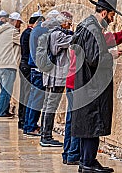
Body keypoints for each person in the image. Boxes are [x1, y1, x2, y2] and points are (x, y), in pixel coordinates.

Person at [62, 16, 122, 165]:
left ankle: (70, 154)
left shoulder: (81, 36)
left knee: (73, 119)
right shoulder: (93, 38)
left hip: (72, 81)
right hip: (80, 83)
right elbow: (112, 39)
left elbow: (113, 38)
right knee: (82, 120)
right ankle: (75, 154)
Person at [70, 0, 122, 173]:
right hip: (92, 87)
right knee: (92, 123)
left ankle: (89, 161)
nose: (111, 19)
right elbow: (95, 58)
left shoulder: (87, 26)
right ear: (104, 13)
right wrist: (112, 55)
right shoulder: (93, 29)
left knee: (90, 125)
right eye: (111, 15)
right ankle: (87, 162)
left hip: (87, 85)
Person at [23, 9, 60, 136]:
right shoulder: (43, 30)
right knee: (37, 100)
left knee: (33, 98)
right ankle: (31, 126)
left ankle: (28, 125)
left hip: (34, 68)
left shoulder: (36, 29)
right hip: (39, 69)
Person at [40, 12, 74, 147]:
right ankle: (46, 136)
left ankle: (44, 134)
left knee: (48, 105)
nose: (70, 26)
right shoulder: (58, 35)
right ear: (63, 23)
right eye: (69, 24)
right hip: (56, 76)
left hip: (50, 75)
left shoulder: (52, 32)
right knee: (51, 106)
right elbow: (73, 40)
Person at [0, 12, 23, 118]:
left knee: (4, 90)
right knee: (6, 91)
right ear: (15, 21)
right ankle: (0, 112)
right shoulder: (12, 32)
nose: (20, 25)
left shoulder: (1, 31)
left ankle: (4, 110)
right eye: (19, 22)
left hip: (0, 64)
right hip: (8, 64)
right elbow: (23, 41)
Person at [18, 11, 42, 129]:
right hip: (28, 66)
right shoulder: (31, 33)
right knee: (28, 95)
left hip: (24, 65)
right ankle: (25, 121)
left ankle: (23, 121)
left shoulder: (26, 33)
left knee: (26, 94)